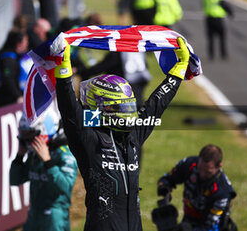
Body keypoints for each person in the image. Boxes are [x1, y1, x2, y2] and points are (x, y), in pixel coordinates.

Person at [53, 36, 190, 231]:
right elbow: (68, 108)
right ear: (103, 108)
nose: (128, 112)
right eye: (122, 106)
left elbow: (156, 104)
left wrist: (178, 71)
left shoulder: (132, 135)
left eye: (128, 105)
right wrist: (63, 71)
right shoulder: (89, 138)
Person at [10, 104, 78, 231]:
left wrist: (48, 162)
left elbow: (65, 187)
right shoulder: (33, 154)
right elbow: (15, 180)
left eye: (30, 136)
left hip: (54, 219)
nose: (28, 142)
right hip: (33, 216)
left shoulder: (64, 154)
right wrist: (19, 157)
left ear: (45, 130)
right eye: (24, 137)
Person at [157, 144, 237, 231]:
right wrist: (164, 189)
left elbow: (209, 226)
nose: (202, 174)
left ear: (219, 166)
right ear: (199, 160)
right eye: (200, 169)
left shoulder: (222, 191)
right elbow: (167, 178)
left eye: (207, 172)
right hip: (188, 220)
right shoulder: (190, 164)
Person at [0, 31, 28, 107]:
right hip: (8, 100)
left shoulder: (13, 57)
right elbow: (8, 79)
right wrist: (18, 96)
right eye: (25, 41)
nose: (27, 44)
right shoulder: (8, 59)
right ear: (19, 44)